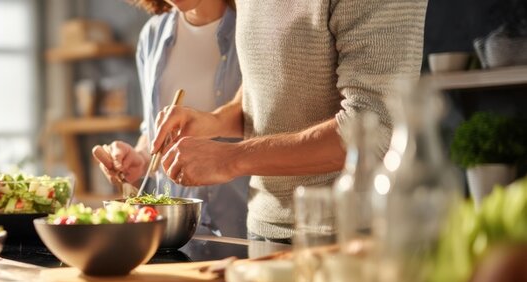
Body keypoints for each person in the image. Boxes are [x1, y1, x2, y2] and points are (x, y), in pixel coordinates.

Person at [151, 0, 428, 251]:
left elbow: (374, 130)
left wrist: (230, 159)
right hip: (263, 230)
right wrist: (215, 121)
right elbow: (266, 84)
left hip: (352, 237)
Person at [92, 0, 249, 238]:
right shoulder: (152, 34)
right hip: (177, 230)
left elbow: (266, 120)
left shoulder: (251, 28)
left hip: (245, 223)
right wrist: (141, 157)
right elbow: (153, 128)